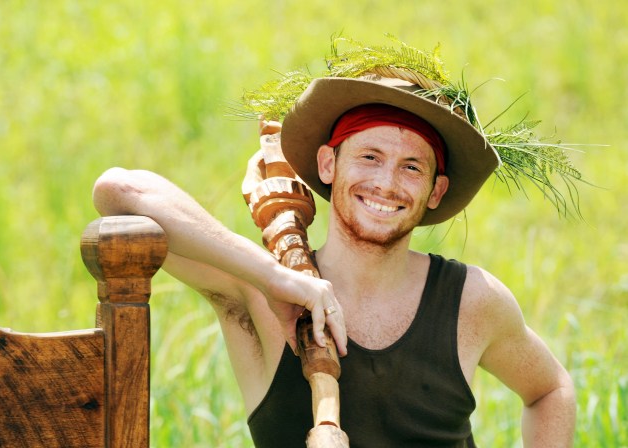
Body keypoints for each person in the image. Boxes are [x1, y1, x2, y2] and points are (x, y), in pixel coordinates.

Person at [92, 63, 576, 446]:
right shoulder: (258, 297)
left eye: (412, 167)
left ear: (435, 191)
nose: (387, 183)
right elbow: (120, 189)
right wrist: (275, 277)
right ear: (328, 163)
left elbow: (551, 390)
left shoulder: (471, 301)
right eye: (369, 156)